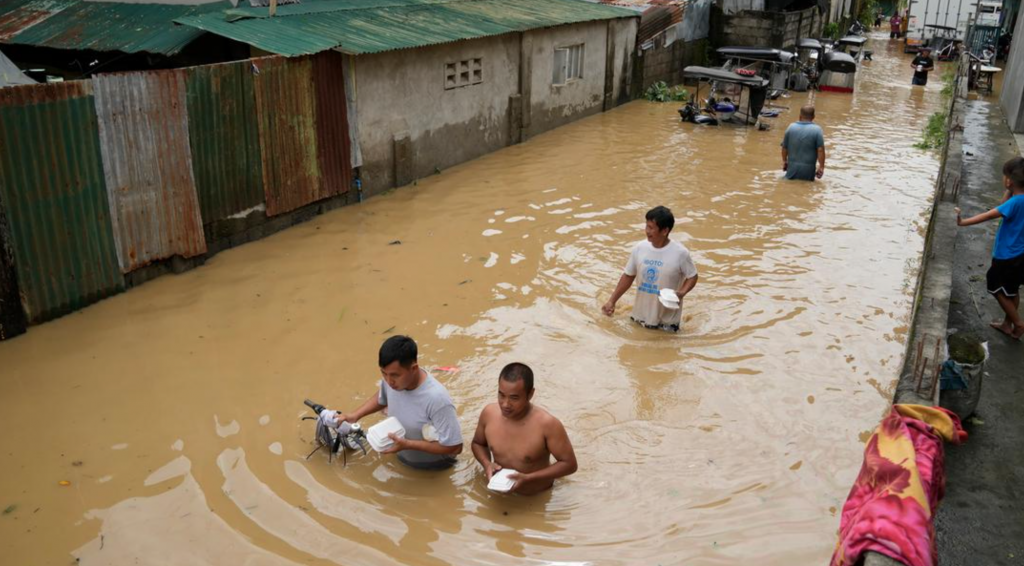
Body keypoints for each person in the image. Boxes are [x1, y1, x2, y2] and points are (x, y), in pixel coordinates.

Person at [335, 335, 464, 469]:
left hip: (435, 468)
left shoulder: (437, 400)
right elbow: (382, 398)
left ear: (413, 368)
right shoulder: (393, 381)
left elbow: (455, 447)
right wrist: (355, 415)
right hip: (401, 457)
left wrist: (408, 444)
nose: (389, 381)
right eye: (384, 373)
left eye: (395, 375)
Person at [471, 363, 577, 495]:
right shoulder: (489, 414)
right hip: (498, 495)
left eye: (514, 398)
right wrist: (487, 464)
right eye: (501, 395)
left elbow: (569, 464)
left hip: (536, 497)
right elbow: (478, 443)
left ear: (530, 394)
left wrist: (529, 478)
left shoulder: (548, 425)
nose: (505, 404)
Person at [955, 157, 1024, 340]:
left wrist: (963, 222)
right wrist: (1009, 191)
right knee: (1012, 290)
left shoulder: (1015, 203)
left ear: (1009, 180)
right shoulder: (1017, 199)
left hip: (1006, 254)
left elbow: (990, 214)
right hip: (1020, 253)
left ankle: (1018, 323)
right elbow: (1003, 204)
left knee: (995, 286)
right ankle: (1007, 324)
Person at [602, 206, 698, 332]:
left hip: (667, 325)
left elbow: (693, 276)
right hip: (638, 318)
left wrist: (682, 293)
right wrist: (612, 301)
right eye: (646, 226)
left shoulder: (680, 253)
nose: (647, 231)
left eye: (651, 228)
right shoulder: (640, 248)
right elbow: (628, 276)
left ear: (665, 231)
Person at [781, 105, 826, 181]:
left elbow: (784, 147)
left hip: (792, 169)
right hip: (808, 171)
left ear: (800, 116)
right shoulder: (817, 130)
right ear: (813, 117)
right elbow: (820, 150)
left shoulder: (791, 127)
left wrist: (784, 161)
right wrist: (821, 167)